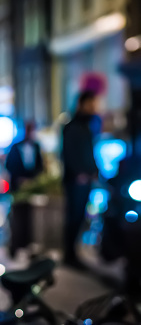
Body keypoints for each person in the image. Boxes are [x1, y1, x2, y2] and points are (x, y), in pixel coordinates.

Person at [62, 91, 101, 268]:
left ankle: (72, 252)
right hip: (76, 181)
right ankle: (69, 254)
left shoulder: (87, 126)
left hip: (85, 179)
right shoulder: (73, 126)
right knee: (74, 216)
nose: (93, 108)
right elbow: (69, 154)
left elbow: (89, 152)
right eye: (90, 104)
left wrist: (93, 171)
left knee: (80, 216)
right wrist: (80, 173)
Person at [6, 122, 44, 257]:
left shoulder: (36, 146)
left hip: (32, 188)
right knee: (16, 218)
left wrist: (32, 180)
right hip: (17, 188)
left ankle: (28, 247)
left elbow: (40, 166)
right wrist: (19, 179)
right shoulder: (15, 147)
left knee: (30, 218)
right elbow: (9, 165)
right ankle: (14, 247)